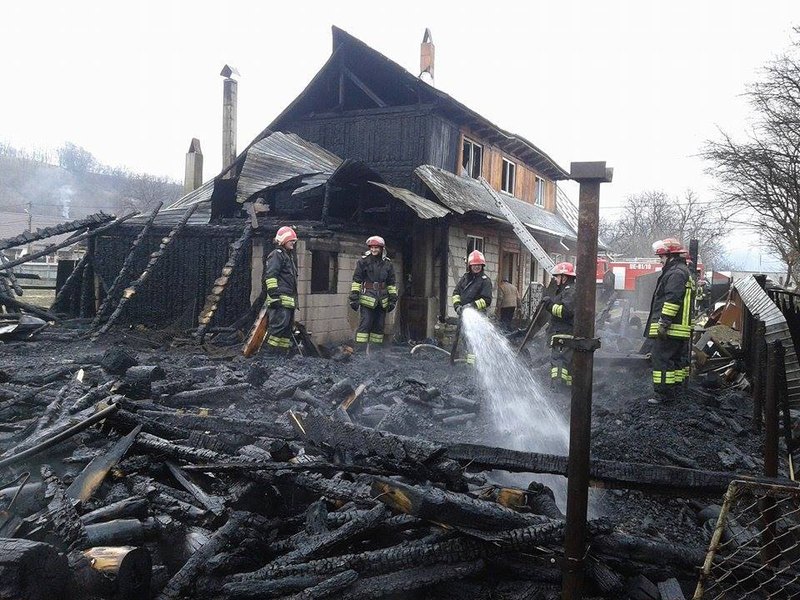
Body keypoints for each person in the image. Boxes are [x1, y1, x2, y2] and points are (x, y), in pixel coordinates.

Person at [645, 238, 692, 403]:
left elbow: (672, 300)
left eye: (662, 257)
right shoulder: (682, 271)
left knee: (662, 360)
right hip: (679, 328)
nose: (660, 260)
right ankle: (676, 392)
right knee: (676, 361)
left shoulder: (675, 273)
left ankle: (663, 395)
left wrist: (664, 323)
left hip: (671, 328)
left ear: (671, 256)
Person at [349, 235, 398, 351]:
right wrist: (354, 297)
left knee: (379, 328)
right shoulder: (363, 262)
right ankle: (360, 352)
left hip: (382, 301)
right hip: (367, 299)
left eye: (376, 247)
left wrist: (393, 299)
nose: (373, 249)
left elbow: (391, 283)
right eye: (371, 247)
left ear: (382, 248)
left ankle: (375, 352)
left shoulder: (388, 264)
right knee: (365, 325)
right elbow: (357, 281)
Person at [452, 250, 493, 365]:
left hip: (477, 318)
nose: (476, 267)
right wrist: (457, 306)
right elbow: (456, 293)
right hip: (463, 315)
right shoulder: (465, 278)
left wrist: (472, 306)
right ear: (470, 266)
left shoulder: (485, 281)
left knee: (475, 342)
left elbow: (487, 300)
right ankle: (462, 362)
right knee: (465, 340)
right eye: (474, 265)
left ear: (482, 266)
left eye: (479, 265)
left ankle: (473, 365)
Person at [264, 226, 299, 353]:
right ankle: (268, 355)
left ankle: (281, 355)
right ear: (283, 240)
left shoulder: (287, 256)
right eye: (291, 240)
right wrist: (274, 296)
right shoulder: (277, 255)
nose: (293, 243)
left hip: (288, 301)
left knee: (286, 331)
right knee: (277, 328)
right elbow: (271, 276)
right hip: (279, 300)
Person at [542, 262, 576, 388]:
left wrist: (549, 305)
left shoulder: (570, 291)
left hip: (564, 333)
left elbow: (565, 311)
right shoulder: (565, 291)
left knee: (559, 363)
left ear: (564, 277)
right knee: (565, 364)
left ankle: (558, 387)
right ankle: (565, 388)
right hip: (561, 332)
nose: (555, 280)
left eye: (557, 277)